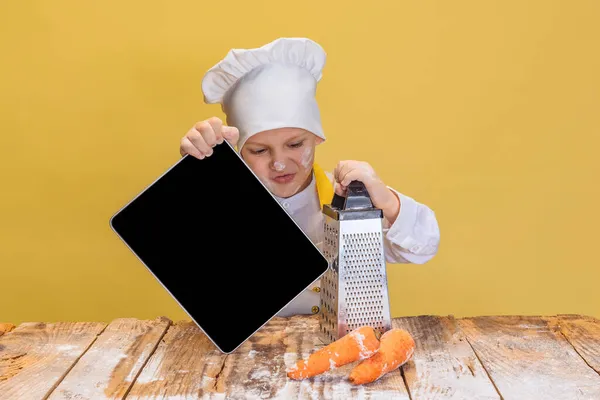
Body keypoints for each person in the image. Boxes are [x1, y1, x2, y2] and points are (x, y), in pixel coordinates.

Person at [179, 37, 440, 317]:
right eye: (259, 150)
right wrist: (195, 177)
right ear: (239, 152)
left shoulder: (346, 197)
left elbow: (424, 246)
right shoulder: (225, 203)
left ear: (316, 138)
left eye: (294, 145)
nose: (279, 163)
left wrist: (387, 202)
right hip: (252, 353)